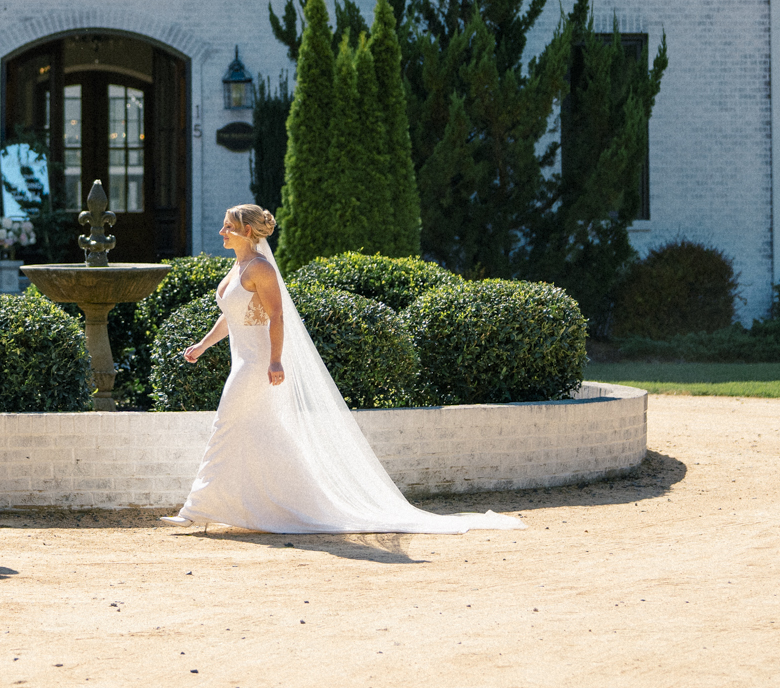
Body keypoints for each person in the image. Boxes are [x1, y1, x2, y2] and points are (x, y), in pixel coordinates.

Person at [165, 204, 524, 535]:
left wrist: (276, 360)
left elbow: (277, 315)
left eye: (228, 227)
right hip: (240, 362)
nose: (221, 232)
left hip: (257, 364)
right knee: (262, 433)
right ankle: (284, 500)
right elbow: (231, 316)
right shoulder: (237, 269)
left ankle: (196, 507)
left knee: (225, 424)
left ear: (246, 231)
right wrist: (202, 345)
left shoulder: (260, 269)